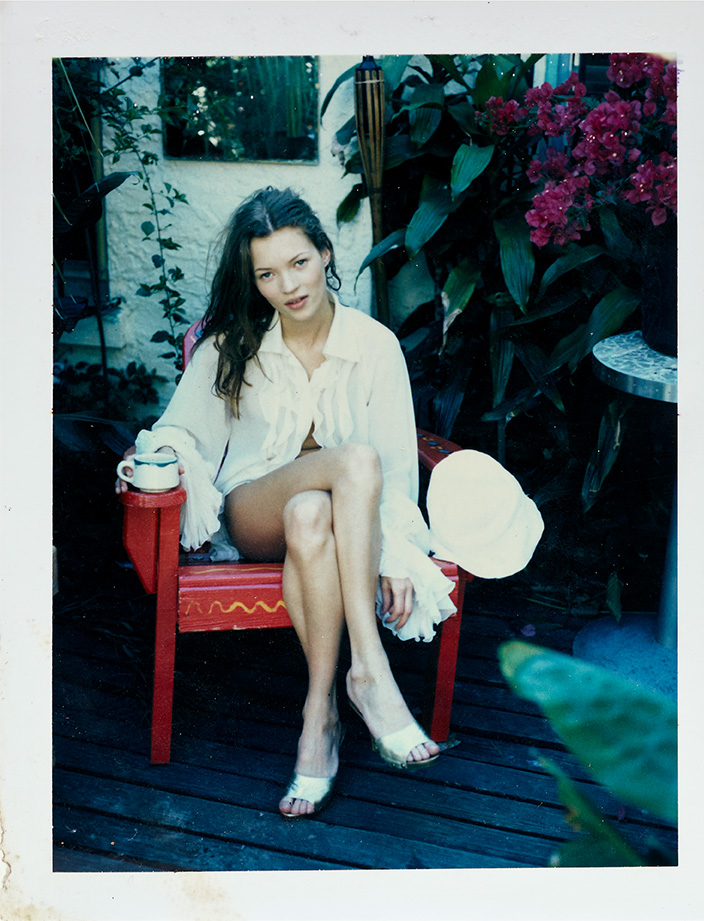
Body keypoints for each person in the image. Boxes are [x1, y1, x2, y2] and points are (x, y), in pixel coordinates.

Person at [116, 187, 459, 819]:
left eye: (299, 263)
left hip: (326, 522)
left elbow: (399, 476)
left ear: (326, 254)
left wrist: (395, 551)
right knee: (352, 461)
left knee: (313, 512)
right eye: (267, 273)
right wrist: (154, 466)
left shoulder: (375, 345)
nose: (288, 285)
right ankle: (371, 672)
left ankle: (318, 719)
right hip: (253, 513)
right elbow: (179, 432)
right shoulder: (233, 343)